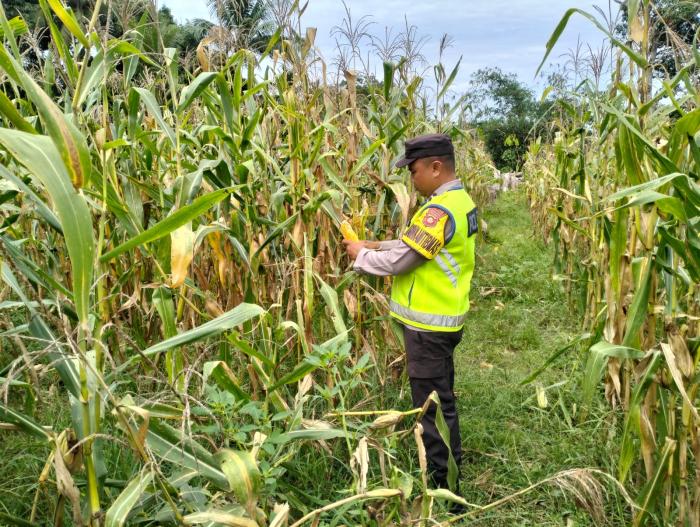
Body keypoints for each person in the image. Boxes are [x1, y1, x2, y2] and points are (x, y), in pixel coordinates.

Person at [343, 133, 478, 499]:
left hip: (428, 329)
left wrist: (361, 257)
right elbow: (416, 244)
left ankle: (444, 487)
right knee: (442, 399)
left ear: (436, 167)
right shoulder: (458, 202)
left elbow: (403, 260)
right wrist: (373, 244)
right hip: (444, 322)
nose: (411, 179)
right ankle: (448, 469)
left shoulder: (439, 211)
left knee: (431, 408)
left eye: (414, 170)